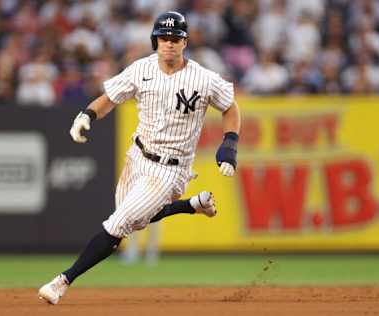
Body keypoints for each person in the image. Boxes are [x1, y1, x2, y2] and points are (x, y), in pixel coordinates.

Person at [38, 11, 241, 305]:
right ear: (155, 40)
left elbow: (230, 107)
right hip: (137, 156)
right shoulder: (140, 70)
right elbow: (110, 98)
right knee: (134, 219)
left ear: (185, 43)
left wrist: (230, 143)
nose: (169, 44)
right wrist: (87, 115)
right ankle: (190, 206)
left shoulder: (204, 78)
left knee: (118, 224)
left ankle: (62, 281)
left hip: (171, 168)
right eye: (164, 38)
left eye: (175, 39)